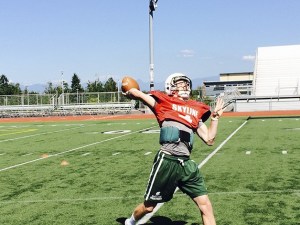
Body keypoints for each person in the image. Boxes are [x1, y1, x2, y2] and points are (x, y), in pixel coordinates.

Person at [124, 73, 224, 225]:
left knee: (206, 206)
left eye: (186, 84)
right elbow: (140, 95)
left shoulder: (195, 110)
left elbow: (209, 139)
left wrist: (215, 119)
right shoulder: (163, 102)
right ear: (170, 87)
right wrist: (131, 91)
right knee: (149, 207)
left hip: (186, 164)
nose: (185, 86)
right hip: (167, 160)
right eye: (180, 83)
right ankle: (130, 222)